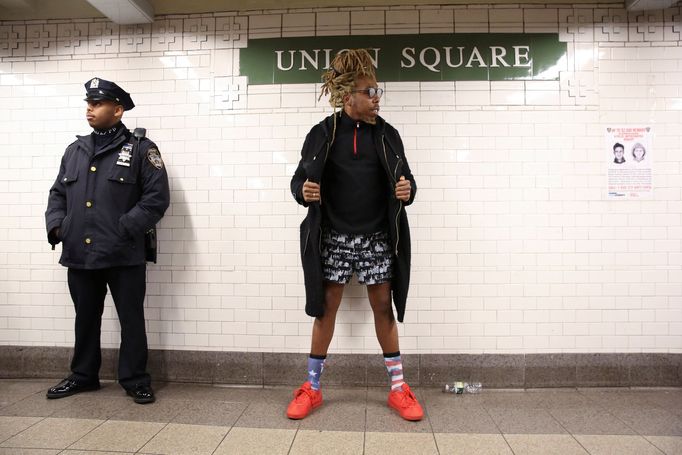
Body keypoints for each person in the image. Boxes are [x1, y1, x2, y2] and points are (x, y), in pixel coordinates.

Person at [288, 49, 422, 421]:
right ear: (349, 97)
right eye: (369, 90)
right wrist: (303, 191)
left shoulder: (388, 134)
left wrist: (408, 191)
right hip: (333, 237)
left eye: (377, 90)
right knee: (325, 308)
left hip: (377, 237)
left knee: (383, 307)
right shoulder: (322, 133)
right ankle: (312, 388)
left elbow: (408, 182)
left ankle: (398, 389)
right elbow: (298, 180)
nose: (376, 96)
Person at [44, 77, 170, 404]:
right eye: (88, 103)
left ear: (117, 110)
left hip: (123, 253)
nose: (90, 109)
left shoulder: (142, 149)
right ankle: (83, 376)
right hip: (79, 253)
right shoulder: (75, 150)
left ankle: (135, 379)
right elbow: (58, 194)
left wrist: (124, 228)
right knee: (85, 318)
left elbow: (156, 199)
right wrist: (59, 227)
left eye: (97, 104)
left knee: (131, 319)